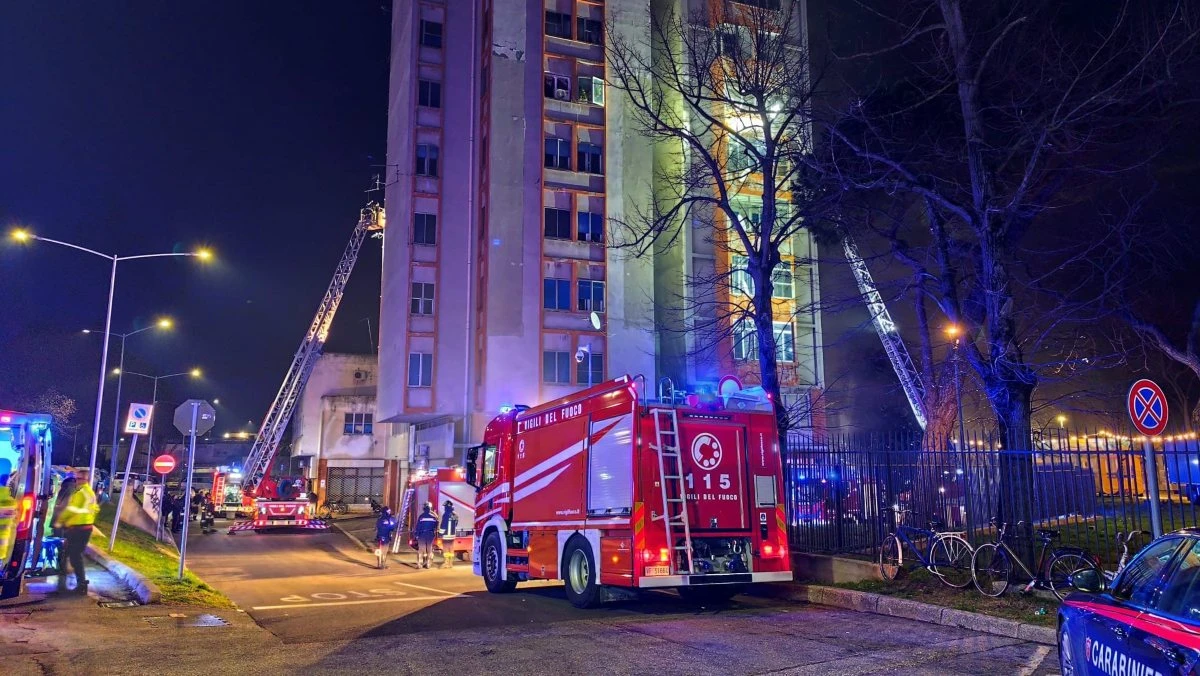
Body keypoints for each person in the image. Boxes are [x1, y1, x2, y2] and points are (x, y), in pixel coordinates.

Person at [52, 469, 99, 595]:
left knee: (75, 556)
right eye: (76, 479)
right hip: (83, 527)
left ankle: (82, 583)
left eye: (79, 479)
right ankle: (66, 578)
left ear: (86, 480)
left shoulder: (80, 493)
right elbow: (95, 509)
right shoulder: (89, 492)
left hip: (79, 528)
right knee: (70, 553)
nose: (76, 481)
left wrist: (60, 520)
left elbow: (71, 510)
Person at [414, 502, 438, 569]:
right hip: (430, 535)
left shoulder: (421, 516)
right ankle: (428, 564)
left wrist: (416, 535)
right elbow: (436, 525)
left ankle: (420, 564)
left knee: (421, 549)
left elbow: (418, 527)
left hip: (422, 535)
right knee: (429, 549)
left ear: (424, 508)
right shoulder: (433, 517)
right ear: (430, 508)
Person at [439, 500, 459, 569]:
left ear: (447, 507)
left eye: (445, 507)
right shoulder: (455, 515)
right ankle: (451, 563)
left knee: (446, 550)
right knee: (451, 549)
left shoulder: (445, 514)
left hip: (446, 535)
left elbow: (443, 525)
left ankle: (446, 563)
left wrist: (440, 533)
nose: (444, 508)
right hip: (452, 535)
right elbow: (456, 524)